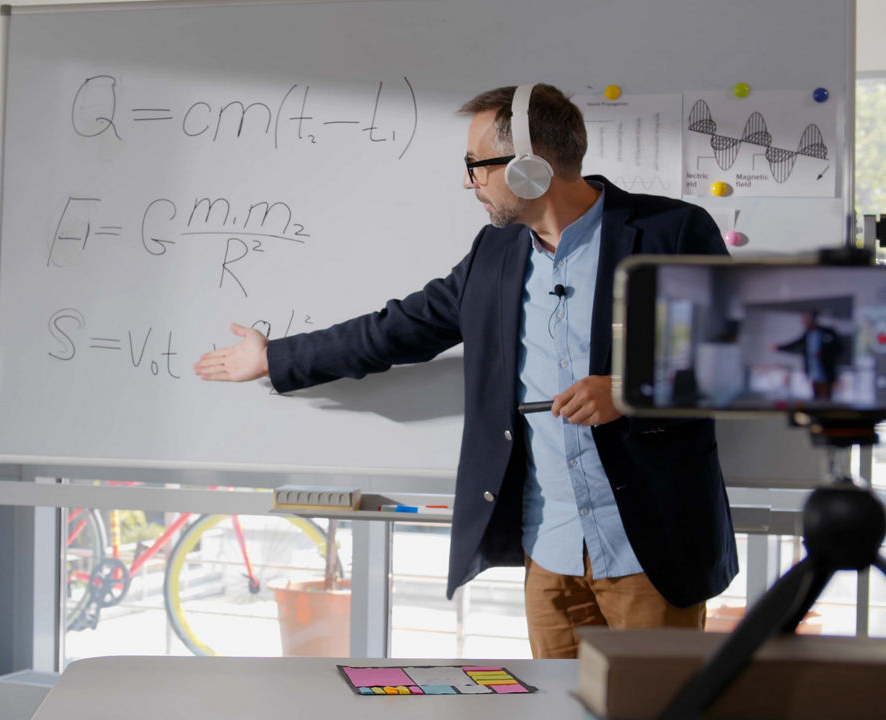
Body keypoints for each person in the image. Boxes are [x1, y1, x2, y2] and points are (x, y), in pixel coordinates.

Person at [192, 83, 738, 659]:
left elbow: (732, 357)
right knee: (558, 707)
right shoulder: (497, 252)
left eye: (475, 164)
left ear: (529, 167)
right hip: (548, 548)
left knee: (655, 708)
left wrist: (630, 390)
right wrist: (276, 357)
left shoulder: (671, 231)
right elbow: (399, 327)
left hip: (649, 551)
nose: (467, 181)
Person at [774, 310, 843, 401]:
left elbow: (839, 348)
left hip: (826, 372)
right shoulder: (807, 335)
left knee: (826, 396)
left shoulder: (828, 332)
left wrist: (824, 354)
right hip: (813, 372)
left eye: (806, 320)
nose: (804, 323)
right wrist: (778, 347)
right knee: (816, 395)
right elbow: (795, 344)